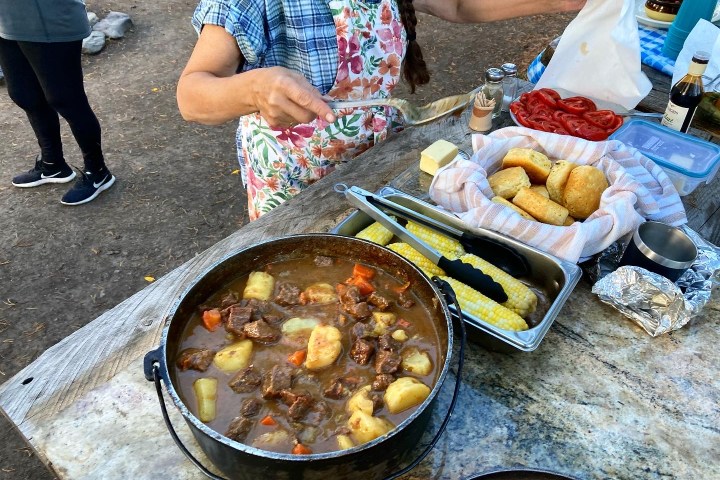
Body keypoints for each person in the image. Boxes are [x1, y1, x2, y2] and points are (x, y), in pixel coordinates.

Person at [177, 0, 585, 220]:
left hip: (380, 161)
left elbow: (458, 4)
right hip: (297, 186)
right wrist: (253, 88)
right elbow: (192, 94)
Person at [0, 0, 115, 205]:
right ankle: (52, 164)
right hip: (7, 21)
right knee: (24, 95)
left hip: (50, 22)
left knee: (66, 99)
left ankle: (98, 172)